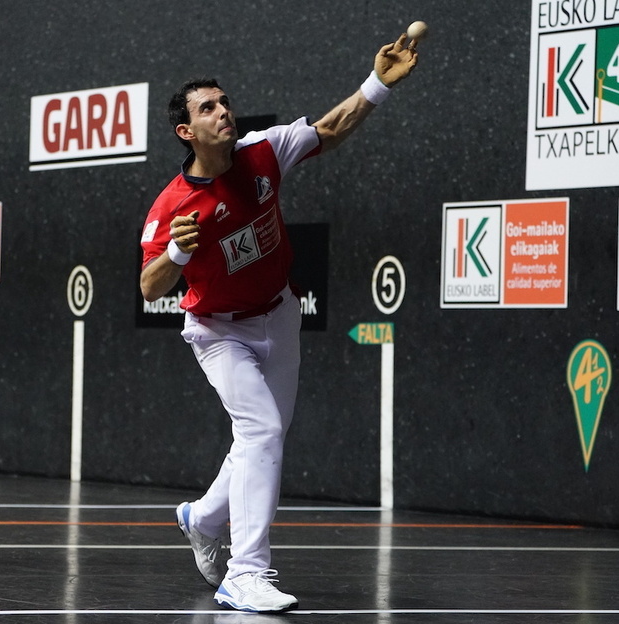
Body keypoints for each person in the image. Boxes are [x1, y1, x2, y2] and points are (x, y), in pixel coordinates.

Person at [139, 34, 420, 612]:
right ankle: (245, 573)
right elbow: (149, 286)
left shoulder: (263, 150)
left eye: (224, 101)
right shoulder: (172, 205)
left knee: (264, 436)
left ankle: (202, 517)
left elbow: (331, 129)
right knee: (261, 430)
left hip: (280, 314)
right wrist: (179, 253)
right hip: (219, 332)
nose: (224, 111)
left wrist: (377, 85)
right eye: (208, 108)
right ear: (186, 131)